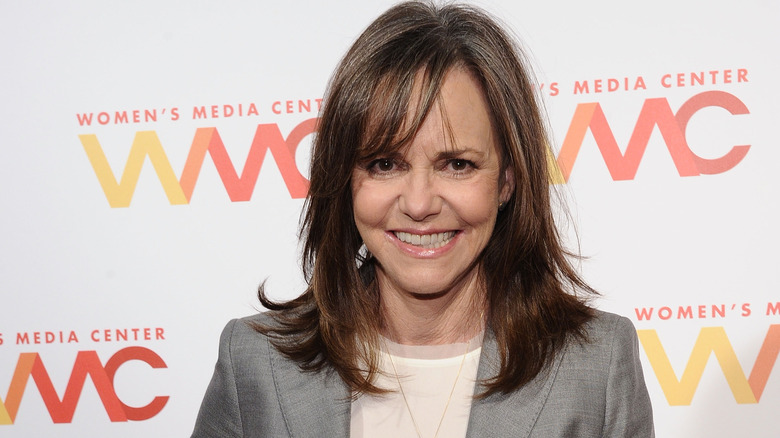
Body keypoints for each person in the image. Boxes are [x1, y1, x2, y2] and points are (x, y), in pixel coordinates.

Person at [191, 1, 654, 437]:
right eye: (384, 164)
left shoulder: (598, 366)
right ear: (345, 178)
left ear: (507, 180)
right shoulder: (255, 361)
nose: (418, 203)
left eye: (457, 164)